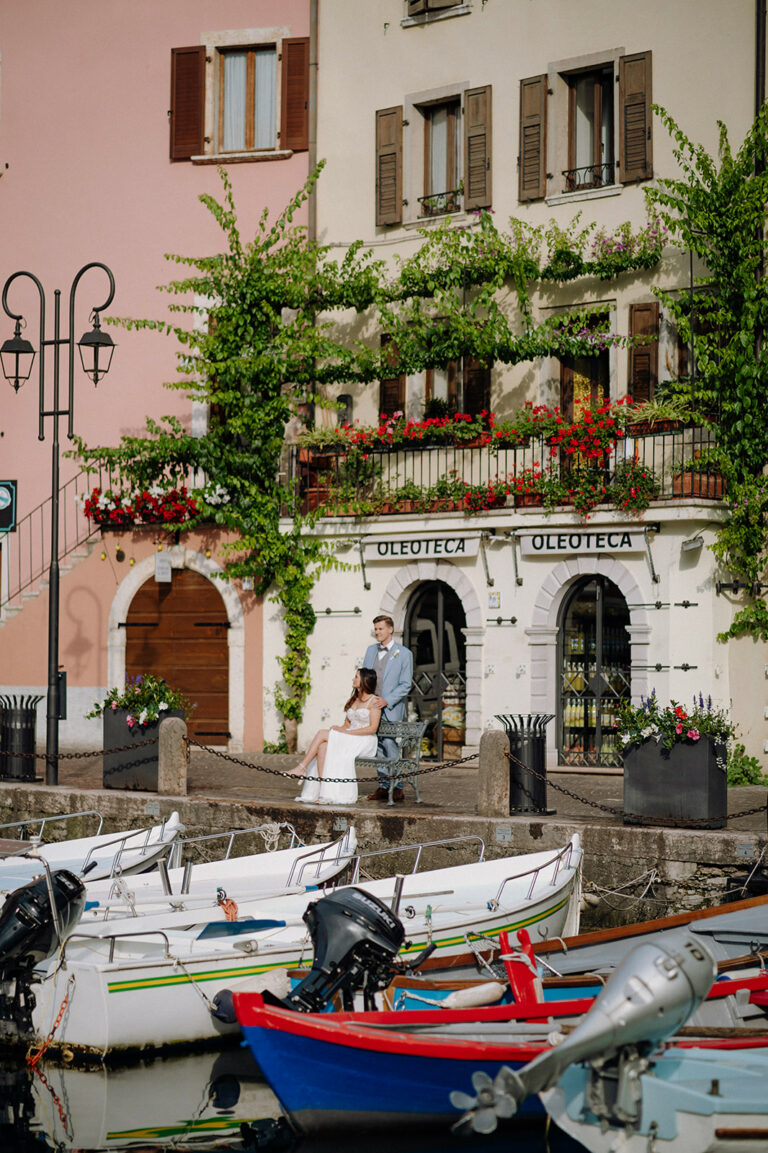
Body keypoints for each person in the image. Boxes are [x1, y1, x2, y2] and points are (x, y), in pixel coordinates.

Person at [286, 668, 381, 806]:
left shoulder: (374, 701)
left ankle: (302, 767)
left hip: (364, 739)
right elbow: (347, 725)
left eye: (356, 677)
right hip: (350, 736)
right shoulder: (354, 699)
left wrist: (347, 733)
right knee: (323, 746)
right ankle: (324, 791)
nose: (353, 679)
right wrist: (339, 729)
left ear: (364, 680)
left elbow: (373, 728)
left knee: (321, 733)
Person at [362, 614, 414, 803]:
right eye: (375, 629)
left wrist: (387, 700)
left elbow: (405, 684)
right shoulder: (370, 651)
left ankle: (397, 787)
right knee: (376, 746)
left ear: (390, 629)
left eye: (380, 629)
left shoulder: (405, 654)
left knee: (390, 744)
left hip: (390, 707)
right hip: (371, 707)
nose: (377, 632)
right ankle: (384, 786)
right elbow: (364, 678)